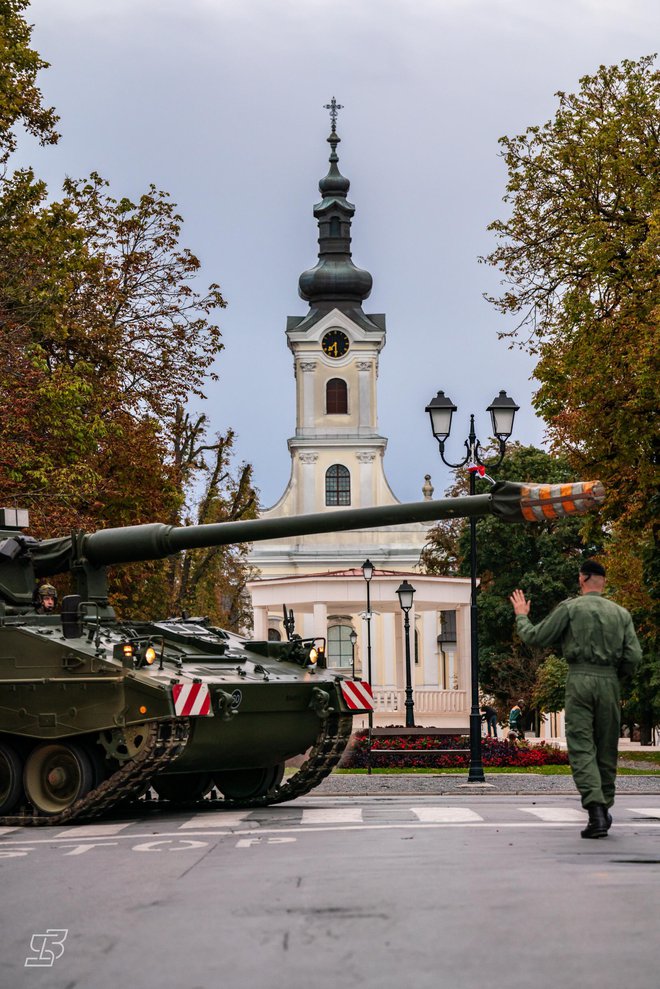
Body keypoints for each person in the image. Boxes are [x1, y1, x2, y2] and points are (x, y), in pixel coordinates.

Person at [510, 560, 641, 839]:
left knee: (582, 746)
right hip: (609, 683)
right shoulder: (621, 614)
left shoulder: (569, 608)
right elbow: (634, 657)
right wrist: (616, 677)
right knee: (606, 749)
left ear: (582, 578)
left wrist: (522, 615)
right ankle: (604, 807)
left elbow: (536, 637)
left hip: (580, 680)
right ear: (602, 581)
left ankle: (595, 811)